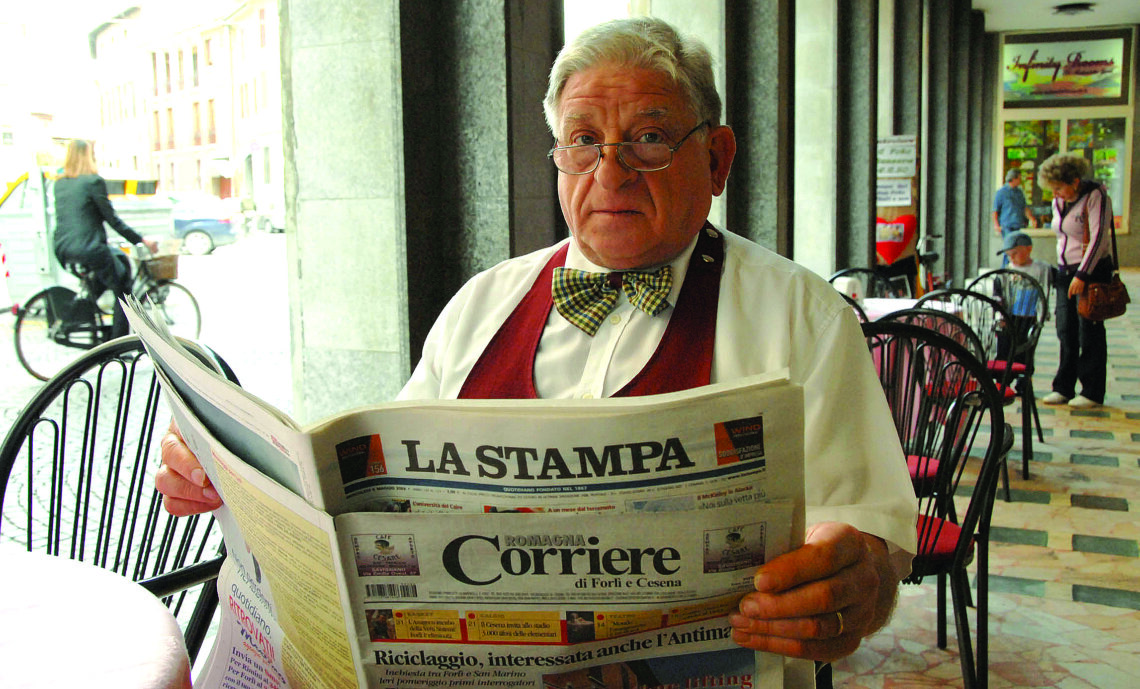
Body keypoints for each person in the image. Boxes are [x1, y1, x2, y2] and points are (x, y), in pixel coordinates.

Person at [156, 17, 917, 683]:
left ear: (717, 159)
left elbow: (869, 542)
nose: (610, 173)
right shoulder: (483, 304)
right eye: (584, 141)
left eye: (648, 138)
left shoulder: (804, 316)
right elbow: (374, 497)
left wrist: (852, 581)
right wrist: (240, 482)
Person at [52, 139, 156, 337]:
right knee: (123, 285)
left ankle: (76, 314)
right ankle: (118, 344)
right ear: (88, 156)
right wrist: (141, 240)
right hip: (89, 248)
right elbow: (112, 220)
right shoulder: (93, 182)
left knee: (118, 260)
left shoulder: (60, 184)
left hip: (63, 248)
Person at [1037, 152, 1115, 409]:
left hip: (1090, 273)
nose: (1056, 193)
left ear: (1075, 181)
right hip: (1064, 271)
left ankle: (1092, 390)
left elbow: (1099, 238)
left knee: (1089, 331)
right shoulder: (1059, 202)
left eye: (1059, 188)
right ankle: (1064, 386)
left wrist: (1082, 274)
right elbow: (1061, 236)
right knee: (1065, 329)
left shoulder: (1096, 196)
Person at [992, 168, 1035, 266]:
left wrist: (1031, 218)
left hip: (1017, 224)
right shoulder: (1002, 192)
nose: (1020, 181)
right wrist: (996, 225)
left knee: (1016, 248)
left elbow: (1024, 207)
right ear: (1013, 179)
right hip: (1007, 225)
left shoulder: (1019, 192)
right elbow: (995, 210)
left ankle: (1012, 267)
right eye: (1019, 178)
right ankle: (1005, 268)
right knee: (1009, 247)